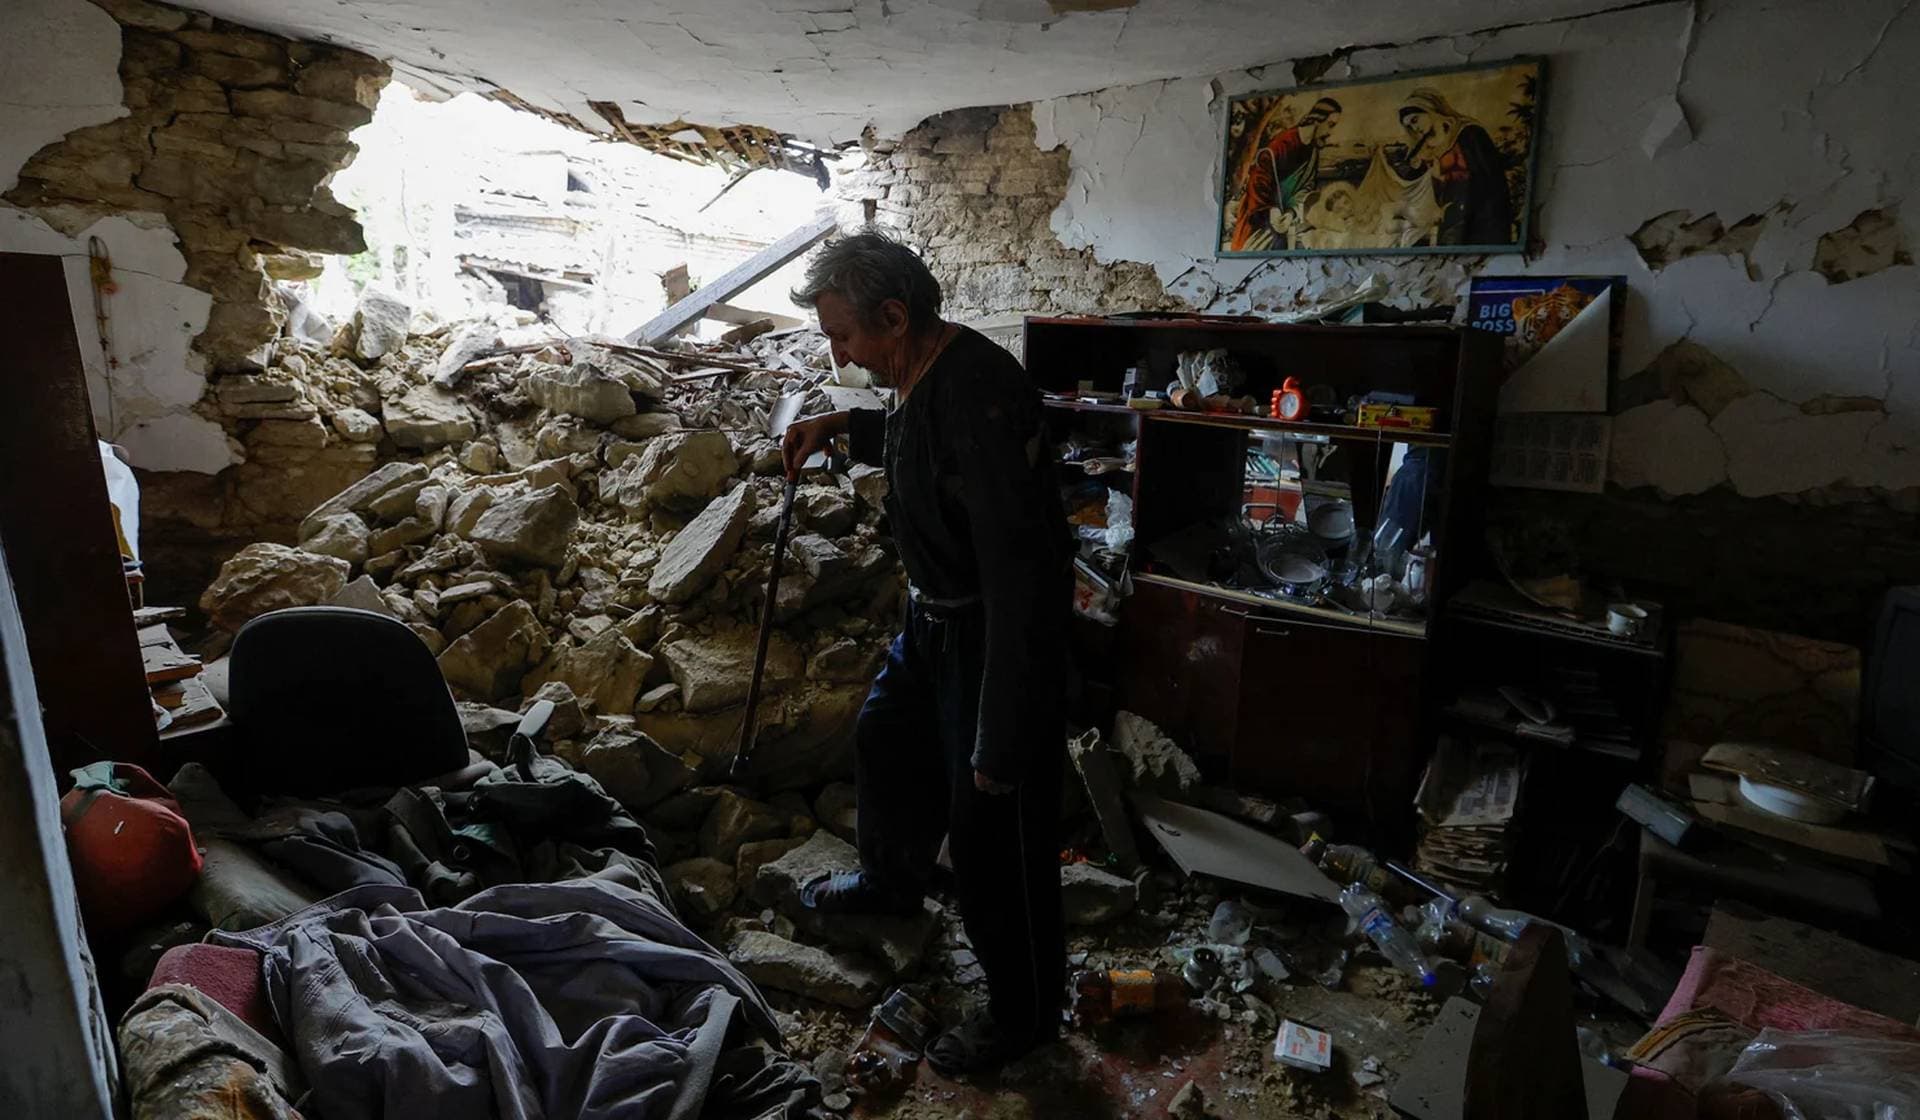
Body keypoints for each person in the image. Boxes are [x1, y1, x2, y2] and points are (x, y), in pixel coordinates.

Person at [781, 231, 1071, 1074]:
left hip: (989, 635)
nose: (838, 353)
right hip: (933, 620)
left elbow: (1025, 585)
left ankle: (1025, 1015)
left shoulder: (981, 398)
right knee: (884, 737)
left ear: (895, 318)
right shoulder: (919, 372)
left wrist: (1002, 735)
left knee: (993, 833)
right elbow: (919, 449)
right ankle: (892, 880)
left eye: (843, 338)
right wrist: (842, 424)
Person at [1396, 89, 1513, 246]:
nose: (1414, 128)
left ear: (1429, 110)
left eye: (1415, 120)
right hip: (1450, 218)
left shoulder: (1470, 133)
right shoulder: (1425, 150)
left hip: (1481, 215)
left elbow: (1491, 178)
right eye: (1410, 126)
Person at [1227, 96, 1343, 252]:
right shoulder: (1284, 143)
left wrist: (1290, 213)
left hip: (1284, 221)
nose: (1331, 133)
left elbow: (1306, 188)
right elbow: (1259, 180)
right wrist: (1272, 211)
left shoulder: (1312, 152)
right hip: (1260, 218)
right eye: (1330, 125)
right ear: (1317, 120)